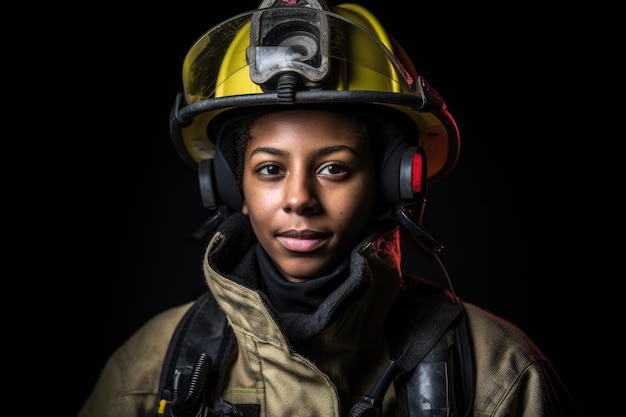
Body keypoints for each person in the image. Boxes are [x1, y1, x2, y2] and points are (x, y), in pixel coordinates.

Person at [78, 0, 582, 416]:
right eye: (270, 169)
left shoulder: (499, 374)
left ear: (395, 181)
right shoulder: (145, 371)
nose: (299, 199)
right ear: (231, 189)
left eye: (333, 168)